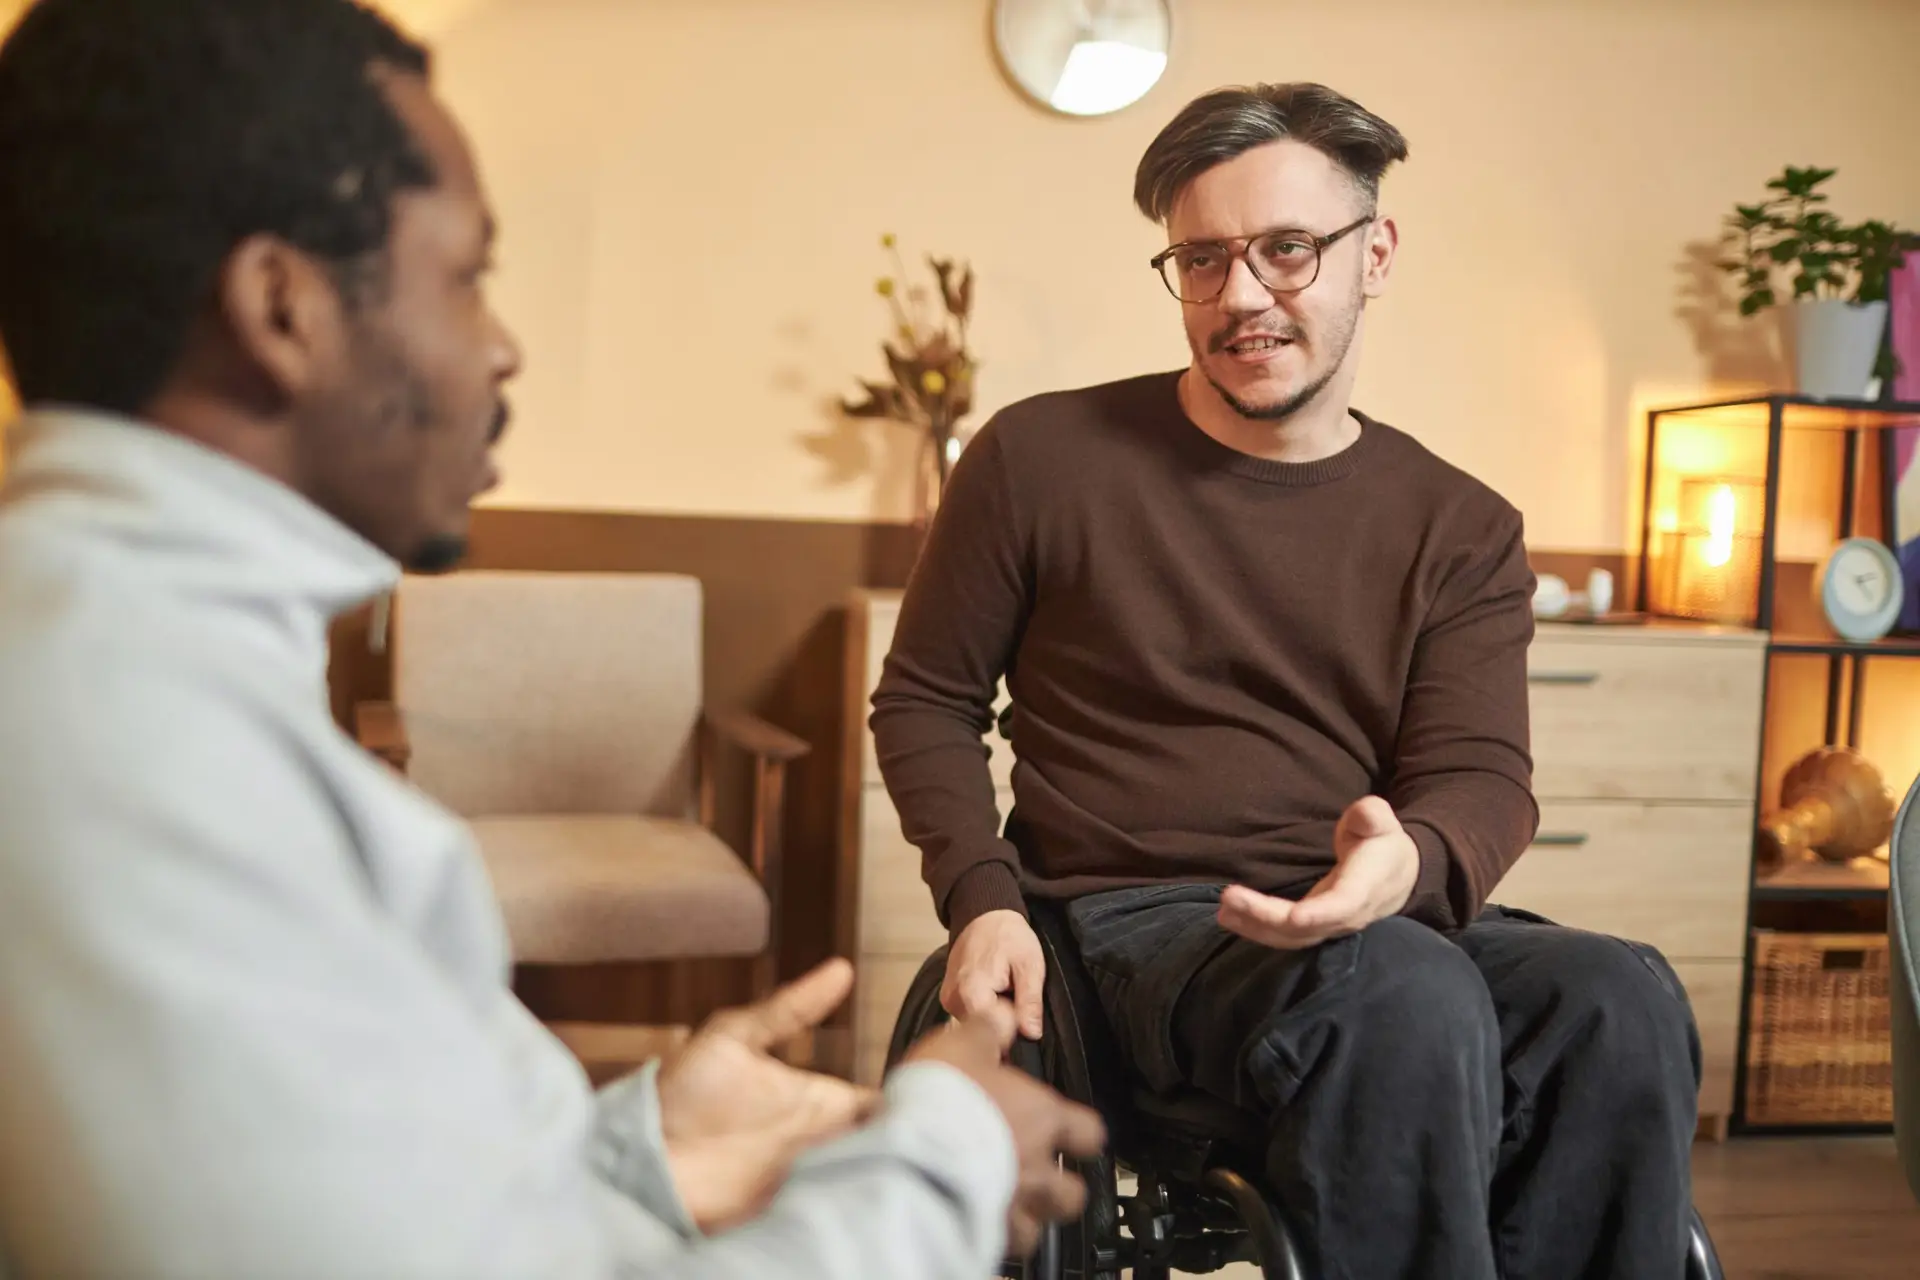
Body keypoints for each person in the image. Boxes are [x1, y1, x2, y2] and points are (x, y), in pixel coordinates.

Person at [0, 1, 1106, 1277]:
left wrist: (634, 1152)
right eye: (468, 275)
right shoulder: (126, 744)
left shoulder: (135, 658)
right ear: (282, 306)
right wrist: (943, 1157)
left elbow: (388, 1203)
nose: (503, 343)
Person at [872, 81, 1702, 1279]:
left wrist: (1404, 861)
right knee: (1403, 990)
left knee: (1613, 994)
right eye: (1202, 260)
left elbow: (1480, 775)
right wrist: (983, 895)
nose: (1243, 295)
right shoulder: (1039, 459)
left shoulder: (1459, 524)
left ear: (1376, 252)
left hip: (1366, 916)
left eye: (1287, 250)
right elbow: (926, 700)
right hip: (1133, 928)